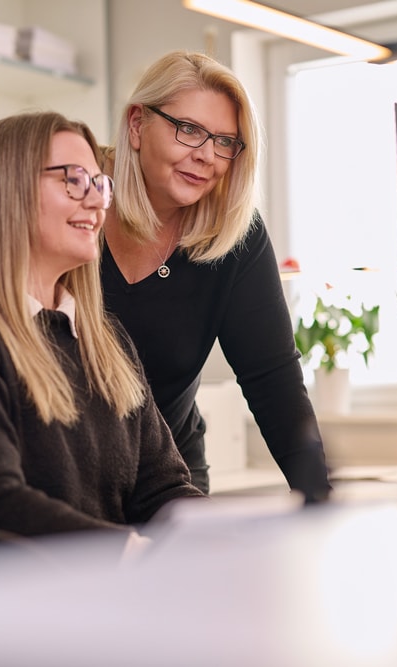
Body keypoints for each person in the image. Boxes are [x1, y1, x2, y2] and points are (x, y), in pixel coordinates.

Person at [0, 111, 204, 558]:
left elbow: (162, 489)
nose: (97, 201)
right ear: (3, 192)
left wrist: (215, 543)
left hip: (75, 604)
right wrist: (132, 555)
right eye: (73, 180)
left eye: (99, 182)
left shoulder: (105, 342)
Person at [101, 50, 332, 502]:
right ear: (136, 125)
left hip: (166, 481)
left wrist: (320, 501)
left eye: (225, 141)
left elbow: (272, 378)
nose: (207, 156)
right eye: (188, 130)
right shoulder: (76, 199)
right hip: (62, 470)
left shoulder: (234, 234)